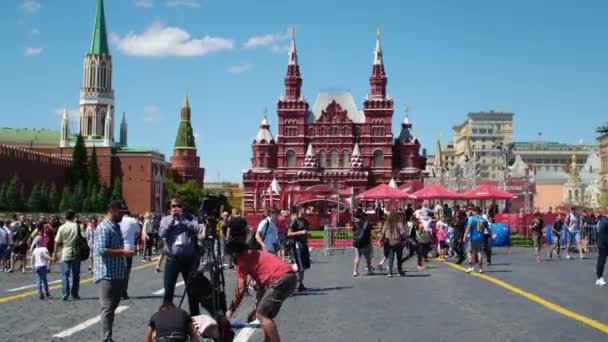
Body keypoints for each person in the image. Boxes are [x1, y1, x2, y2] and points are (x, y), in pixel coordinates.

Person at [225, 239, 297, 342]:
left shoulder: (242, 261)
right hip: (289, 277)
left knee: (262, 315)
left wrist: (231, 310)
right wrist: (255, 309)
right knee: (265, 314)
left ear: (234, 253)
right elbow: (261, 290)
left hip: (280, 280)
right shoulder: (254, 254)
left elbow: (241, 289)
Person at [95, 200, 132, 342]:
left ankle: (108, 337)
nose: (123, 215)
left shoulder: (115, 226)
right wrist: (123, 252)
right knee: (107, 308)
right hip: (106, 274)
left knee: (112, 307)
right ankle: (106, 339)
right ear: (112, 210)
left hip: (117, 273)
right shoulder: (104, 227)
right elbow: (102, 250)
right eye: (121, 212)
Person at [159, 196, 201, 316]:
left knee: (192, 291)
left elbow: (197, 229)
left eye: (179, 206)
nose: (176, 209)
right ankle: (166, 319)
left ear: (183, 207)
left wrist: (183, 220)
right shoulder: (166, 219)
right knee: (168, 290)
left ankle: (195, 319)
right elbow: (161, 233)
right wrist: (172, 221)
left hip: (189, 259)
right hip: (172, 259)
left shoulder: (190, 218)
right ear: (170, 208)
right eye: (173, 206)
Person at [53, 210, 84, 300]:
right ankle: (74, 294)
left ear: (65, 217)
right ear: (74, 216)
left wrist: (54, 254)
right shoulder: (79, 226)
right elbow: (84, 238)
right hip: (76, 252)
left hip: (65, 252)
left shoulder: (62, 227)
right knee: (76, 274)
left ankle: (65, 293)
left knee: (64, 275)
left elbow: (57, 242)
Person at [288, 207, 311, 291]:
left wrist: (308, 234)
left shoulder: (305, 221)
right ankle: (294, 283)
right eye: (304, 210)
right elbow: (289, 233)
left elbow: (307, 231)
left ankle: (301, 284)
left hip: (304, 244)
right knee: (299, 265)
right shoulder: (295, 220)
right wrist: (300, 232)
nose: (306, 212)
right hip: (297, 244)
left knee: (303, 266)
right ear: (300, 211)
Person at [120, 210, 140, 299]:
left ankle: (116, 290)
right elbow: (137, 232)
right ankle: (123, 292)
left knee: (118, 270)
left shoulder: (118, 219)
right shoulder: (132, 220)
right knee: (126, 271)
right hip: (129, 247)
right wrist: (132, 238)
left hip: (118, 247)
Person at [381, 212, 405, 277]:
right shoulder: (399, 223)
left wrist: (381, 240)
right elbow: (403, 233)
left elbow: (382, 232)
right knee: (399, 258)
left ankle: (390, 272)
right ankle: (399, 272)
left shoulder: (386, 223)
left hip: (389, 242)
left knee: (390, 258)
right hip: (398, 242)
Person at [464, 207, 487, 274]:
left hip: (473, 238)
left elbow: (468, 227)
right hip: (480, 238)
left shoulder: (472, 219)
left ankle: (471, 266)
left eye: (473, 211)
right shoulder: (483, 219)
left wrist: (465, 235)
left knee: (469, 252)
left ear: (476, 211)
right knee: (479, 252)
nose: (472, 212)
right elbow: (487, 228)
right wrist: (491, 234)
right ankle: (480, 268)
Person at [352, 209, 373, 277]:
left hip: (357, 243)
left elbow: (353, 231)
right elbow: (371, 230)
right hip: (366, 242)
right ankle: (369, 269)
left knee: (357, 257)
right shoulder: (368, 224)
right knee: (367, 257)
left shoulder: (356, 223)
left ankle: (355, 271)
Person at [595, 214, 608, 286]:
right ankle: (599, 278)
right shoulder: (604, 222)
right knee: (602, 261)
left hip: (604, 244)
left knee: (602, 261)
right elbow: (602, 236)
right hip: (603, 245)